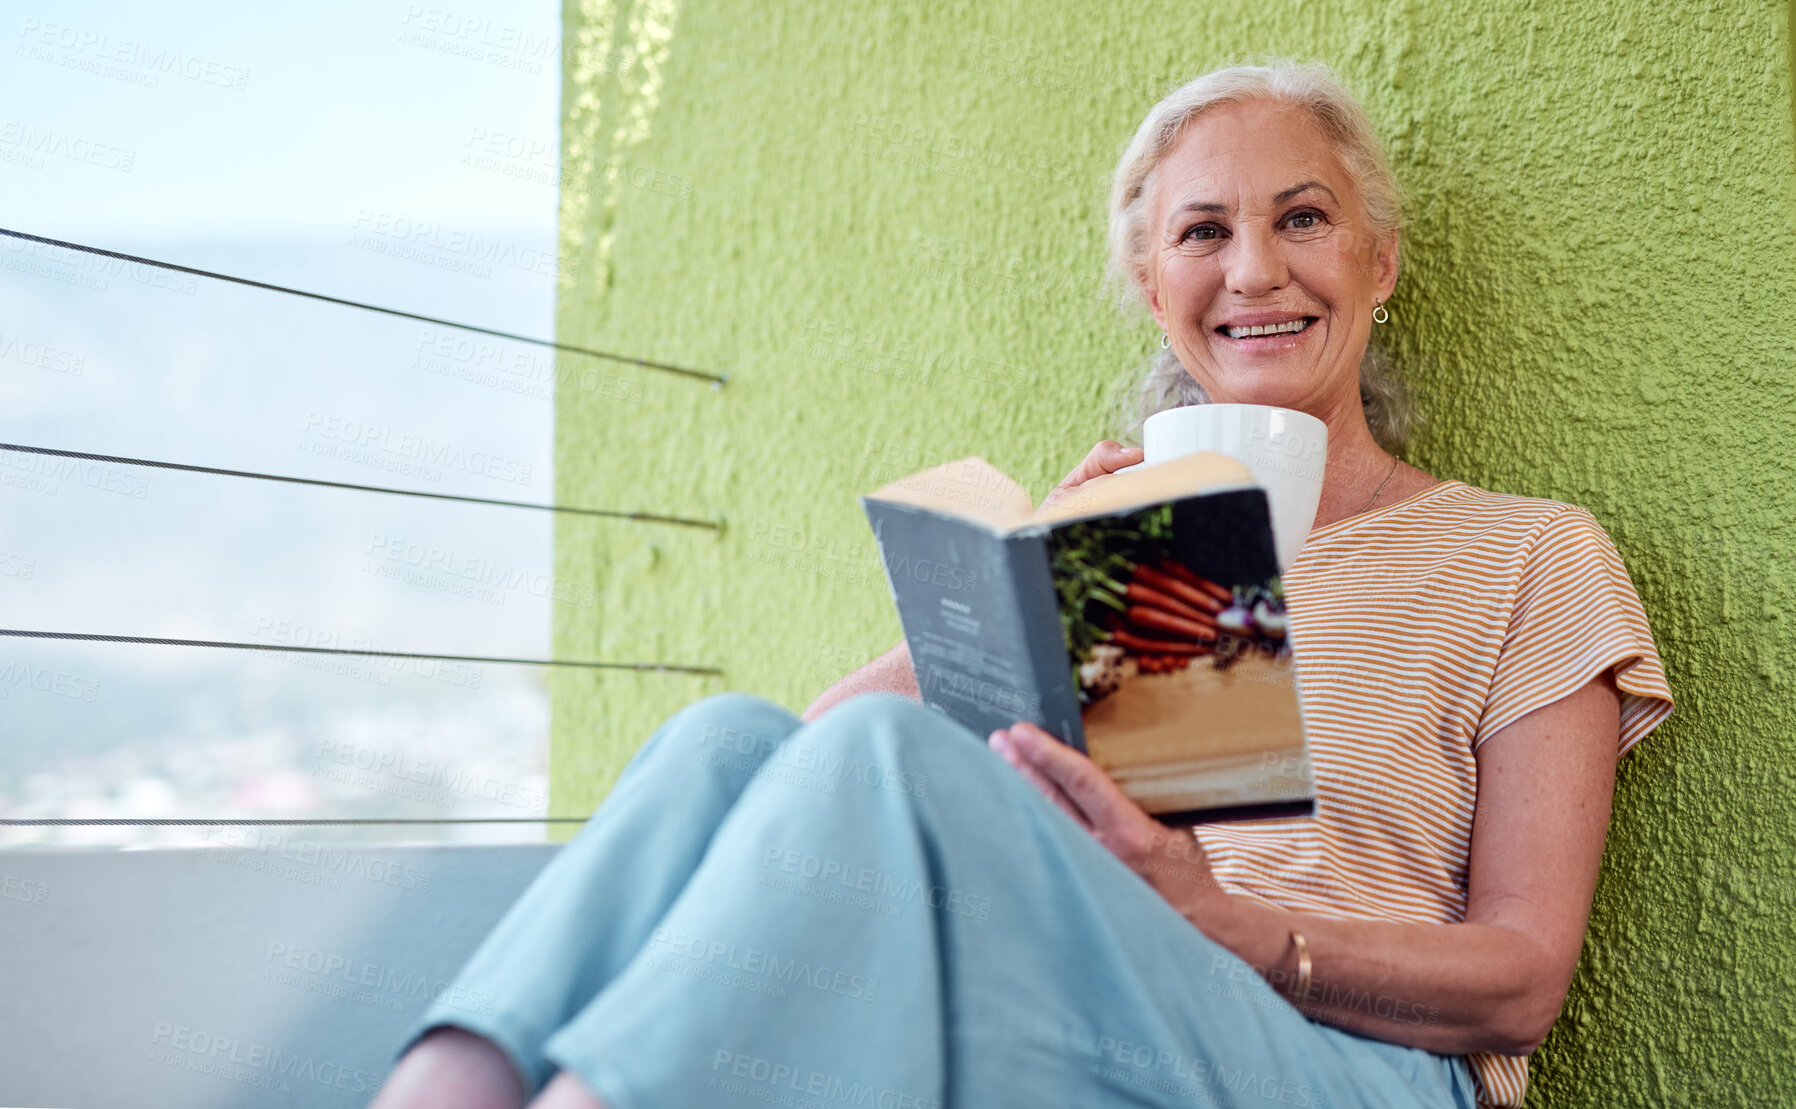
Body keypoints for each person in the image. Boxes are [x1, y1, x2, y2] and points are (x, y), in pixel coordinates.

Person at [370, 59, 1673, 1109]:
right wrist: (1043, 564)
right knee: (718, 738)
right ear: (1155, 287)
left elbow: (1522, 980)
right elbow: (787, 792)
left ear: (1377, 262)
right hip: (1064, 994)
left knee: (889, 753)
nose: (1256, 269)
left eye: (1304, 217)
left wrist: (1226, 918)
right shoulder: (1116, 557)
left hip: (1343, 1062)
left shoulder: (1526, 553)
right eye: (1203, 231)